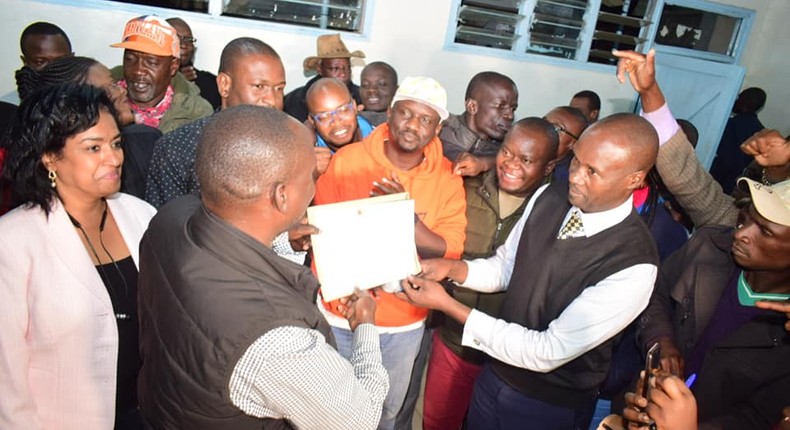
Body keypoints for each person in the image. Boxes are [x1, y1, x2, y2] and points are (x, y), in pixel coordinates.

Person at [400, 112, 660, 430]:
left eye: (593, 171)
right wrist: (452, 268)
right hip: (495, 373)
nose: (576, 176)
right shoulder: (549, 196)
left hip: (548, 405)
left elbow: (547, 351)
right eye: (577, 161)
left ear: (634, 179)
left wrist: (447, 305)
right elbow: (506, 267)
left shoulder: (634, 264)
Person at [137, 105, 389, 429]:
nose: (314, 185)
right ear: (282, 196)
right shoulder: (278, 341)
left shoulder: (170, 217)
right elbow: (358, 420)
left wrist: (283, 242)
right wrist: (366, 327)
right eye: (311, 175)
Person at [314, 76, 466, 430]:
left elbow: (450, 247)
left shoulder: (447, 177)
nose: (413, 125)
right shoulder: (349, 160)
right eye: (406, 113)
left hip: (402, 322)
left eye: (425, 119)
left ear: (437, 128)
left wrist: (403, 214)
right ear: (390, 114)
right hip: (341, 314)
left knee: (385, 413)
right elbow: (322, 228)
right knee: (327, 411)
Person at [0, 84, 156, 430]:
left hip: (144, 414)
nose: (114, 158)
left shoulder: (141, 216)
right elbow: (6, 379)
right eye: (93, 148)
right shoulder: (12, 243)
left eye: (116, 143)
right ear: (49, 157)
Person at [424, 117, 559, 430]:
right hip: (454, 340)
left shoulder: (555, 210)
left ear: (549, 167)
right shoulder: (467, 187)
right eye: (507, 153)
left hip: (508, 357)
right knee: (437, 421)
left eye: (525, 160)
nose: (510, 165)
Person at [144, 37, 284, 209]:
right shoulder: (178, 148)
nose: (272, 100)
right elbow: (166, 228)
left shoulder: (287, 149)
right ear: (224, 85)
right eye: (259, 86)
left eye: (279, 89)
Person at [15, 56, 161, 199]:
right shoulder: (26, 220)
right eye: (93, 148)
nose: (122, 90)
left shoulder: (148, 141)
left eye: (116, 144)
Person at [110, 15, 213, 133]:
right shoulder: (100, 96)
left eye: (151, 62)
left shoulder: (197, 114)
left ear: (173, 66)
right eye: (130, 59)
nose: (138, 70)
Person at [440, 71, 518, 177]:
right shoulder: (440, 128)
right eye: (500, 106)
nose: (510, 116)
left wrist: (484, 163)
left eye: (513, 109)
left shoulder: (508, 145)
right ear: (472, 106)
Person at [284, 33, 365, 122]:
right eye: (335, 68)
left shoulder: (361, 97)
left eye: (347, 68)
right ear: (320, 69)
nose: (343, 74)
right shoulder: (296, 101)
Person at [307, 77, 373, 174]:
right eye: (324, 116)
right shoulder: (309, 159)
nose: (337, 121)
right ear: (312, 121)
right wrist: (312, 176)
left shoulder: (381, 135)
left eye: (343, 110)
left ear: (354, 106)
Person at [710, 87, 767, 194]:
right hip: (736, 187)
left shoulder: (730, 124)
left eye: (739, 98)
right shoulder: (761, 132)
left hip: (715, 180)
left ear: (744, 103)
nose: (735, 101)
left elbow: (724, 158)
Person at [8, 22, 73, 105]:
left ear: (73, 59)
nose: (52, 69)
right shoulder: (8, 108)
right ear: (25, 62)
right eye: (41, 62)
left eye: (60, 61)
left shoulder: (89, 103)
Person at [166, 17, 221, 110]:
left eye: (189, 40)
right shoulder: (146, 81)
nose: (184, 45)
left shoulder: (210, 84)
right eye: (176, 38)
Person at [545, 105, 589, 183]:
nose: (543, 128)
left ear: (573, 144)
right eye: (543, 121)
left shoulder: (569, 178)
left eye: (556, 128)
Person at [359, 61, 398, 127]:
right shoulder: (352, 124)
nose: (372, 90)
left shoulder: (404, 125)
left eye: (382, 84)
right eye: (365, 85)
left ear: (396, 90)